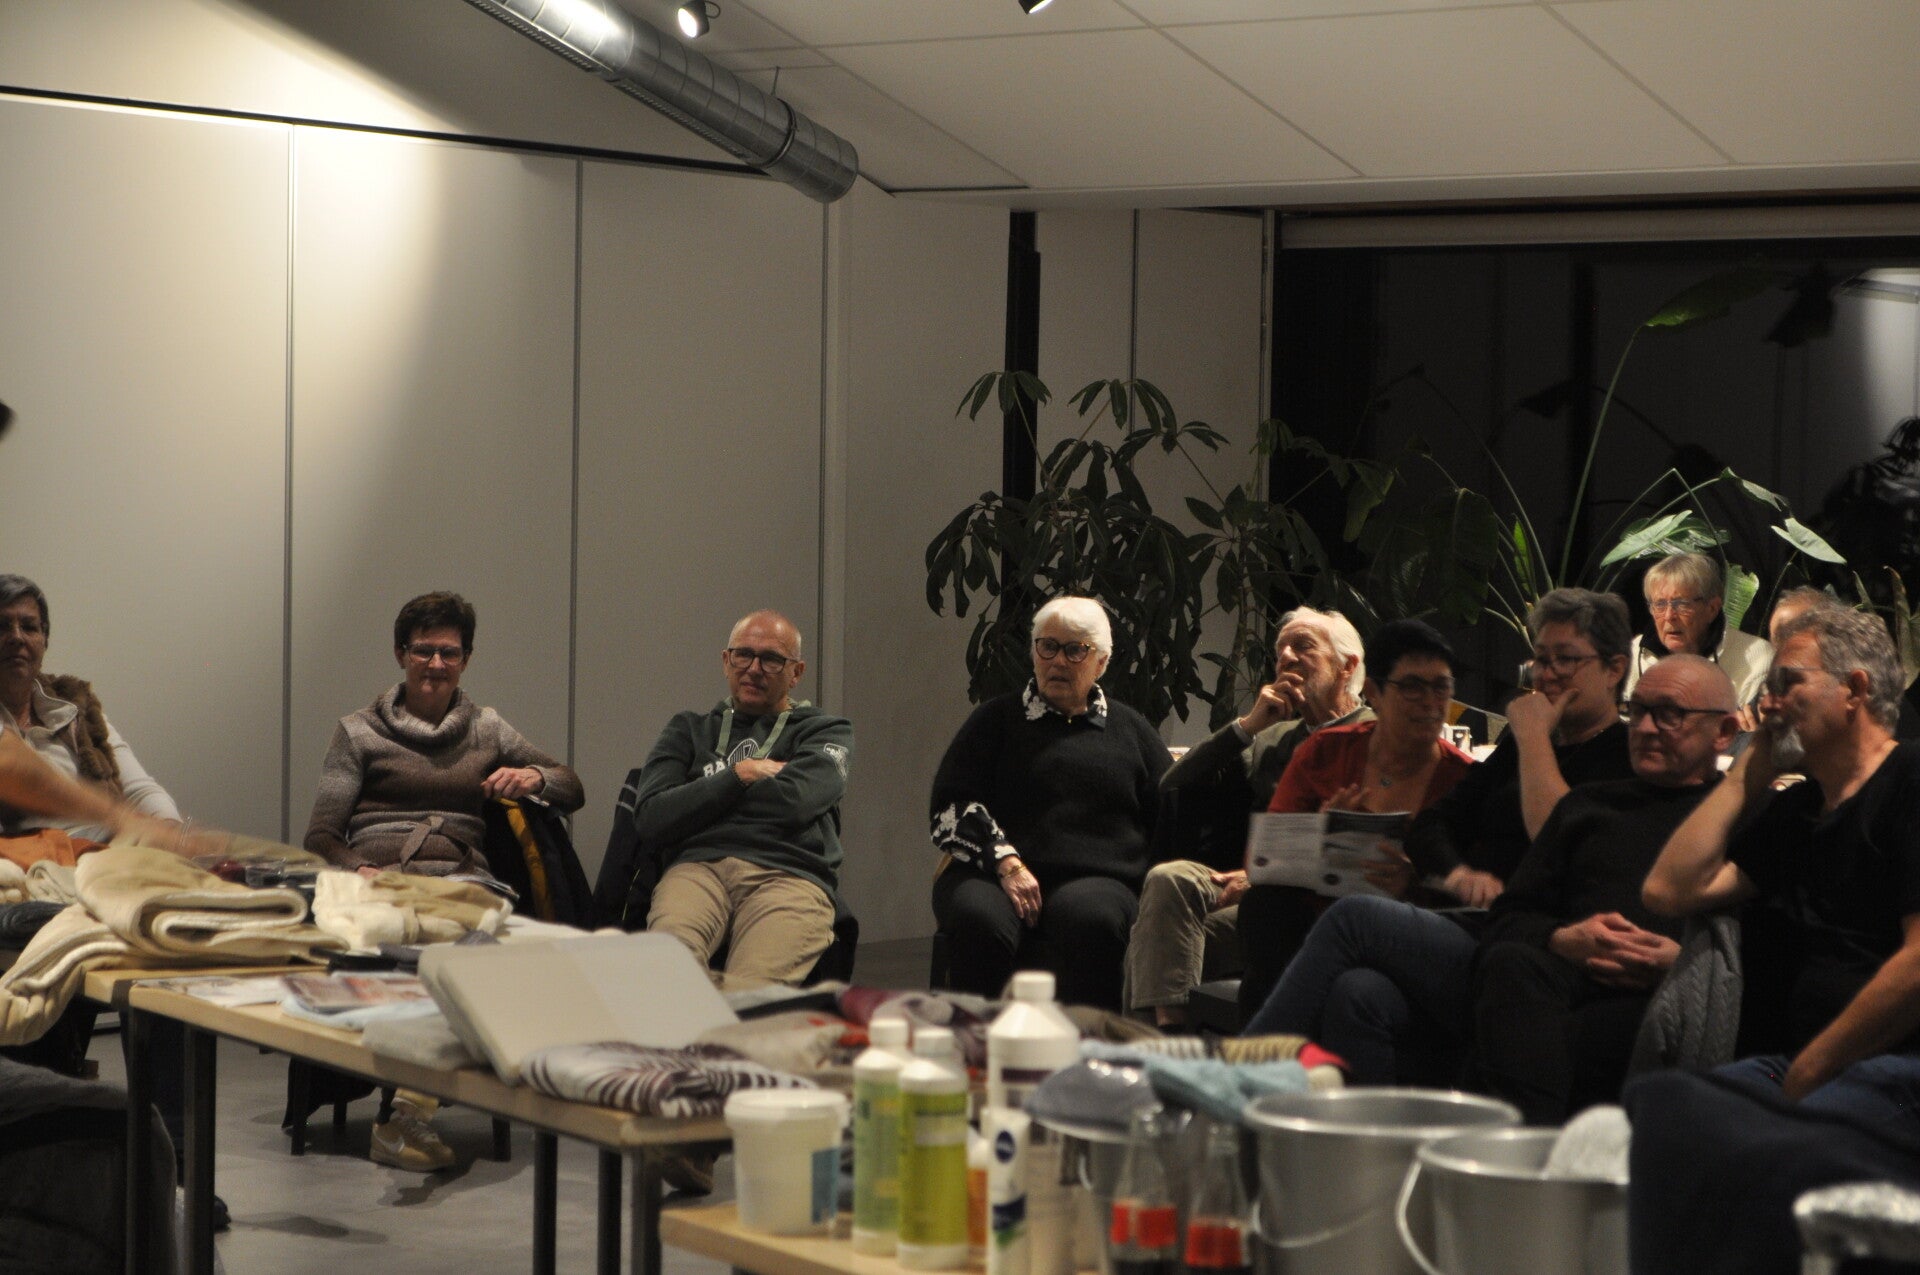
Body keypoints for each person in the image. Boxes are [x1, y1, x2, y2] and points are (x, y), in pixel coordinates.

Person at [1247, 656, 1736, 1118]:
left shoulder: (1743, 818)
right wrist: (1560, 938)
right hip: (1535, 969)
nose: (1645, 727)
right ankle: (1368, 1154)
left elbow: (1761, 942)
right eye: (1641, 711)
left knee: (1360, 931)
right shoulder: (1588, 805)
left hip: (1624, 990)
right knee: (1358, 990)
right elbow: (1511, 913)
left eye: (1669, 715)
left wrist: (1683, 962)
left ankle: (1245, 1080)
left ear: (1725, 731)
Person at [304, 590, 583, 1170]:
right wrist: (359, 869)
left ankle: (409, 1112)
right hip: (380, 881)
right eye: (424, 651)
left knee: (464, 956)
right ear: (400, 654)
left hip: (461, 883)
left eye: (449, 653)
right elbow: (323, 834)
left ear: (466, 659)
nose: (436, 664)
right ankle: (407, 1111)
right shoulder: (358, 732)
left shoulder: (487, 728)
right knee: (396, 944)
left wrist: (532, 777)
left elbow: (571, 784)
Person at [1645, 603, 1920, 1101]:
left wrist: (1812, 1069)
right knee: (1656, 1104)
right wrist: (1747, 774)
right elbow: (1669, 890)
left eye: (1788, 682)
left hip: (1884, 1071)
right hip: (1786, 1065)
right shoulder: (1799, 808)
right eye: (1767, 687)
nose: (1769, 704)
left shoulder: (1910, 779)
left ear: (1854, 690)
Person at [1124, 607, 1371, 1027]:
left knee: (1152, 938)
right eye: (1280, 651)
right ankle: (1172, 1036)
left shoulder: (1375, 736)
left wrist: (1264, 877)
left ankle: (1160, 1043)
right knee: (1169, 880)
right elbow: (1173, 784)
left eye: (1303, 646)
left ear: (1347, 666)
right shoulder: (1273, 738)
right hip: (1249, 886)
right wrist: (1248, 726)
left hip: (1309, 903)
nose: (1286, 657)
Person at [930, 596, 1170, 1010]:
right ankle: (977, 1041)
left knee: (1094, 921)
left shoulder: (1131, 730)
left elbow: (1170, 811)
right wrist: (1006, 862)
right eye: (1048, 646)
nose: (1058, 660)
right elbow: (950, 807)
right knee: (978, 919)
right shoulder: (994, 720)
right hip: (994, 873)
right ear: (1034, 652)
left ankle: (1088, 1043)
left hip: (1097, 878)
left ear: (1101, 662)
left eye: (1075, 650)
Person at [1234, 619, 1476, 1015]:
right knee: (1266, 905)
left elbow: (1476, 894)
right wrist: (1323, 834)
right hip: (1316, 918)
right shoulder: (1326, 751)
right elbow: (1265, 860)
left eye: (1441, 687)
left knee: (1357, 983)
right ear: (1374, 692)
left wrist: (1414, 880)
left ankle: (1269, 1043)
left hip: (1409, 930)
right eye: (1412, 687)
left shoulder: (1464, 779)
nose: (1430, 702)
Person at [635, 609, 853, 991]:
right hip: (699, 869)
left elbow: (796, 801)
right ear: (726, 660)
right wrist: (742, 774)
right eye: (743, 655)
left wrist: (698, 799)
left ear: (796, 672)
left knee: (749, 995)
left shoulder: (826, 731)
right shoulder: (688, 729)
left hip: (788, 874)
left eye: (771, 659)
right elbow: (652, 817)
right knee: (667, 975)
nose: (754, 668)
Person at [1404, 588, 1637, 907]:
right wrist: (1459, 876)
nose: (1547, 674)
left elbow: (1564, 845)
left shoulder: (1628, 753)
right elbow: (1432, 823)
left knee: (1354, 917)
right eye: (1541, 659)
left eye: (1565, 659)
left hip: (1536, 924)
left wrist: (1534, 737)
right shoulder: (1520, 742)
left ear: (1614, 670)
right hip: (1467, 912)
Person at [0, 574, 180, 855]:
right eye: (2, 626)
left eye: (29, 627)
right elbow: (10, 764)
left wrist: (172, 832)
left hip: (106, 855)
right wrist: (117, 818)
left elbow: (139, 791)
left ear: (44, 640)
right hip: (23, 867)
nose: (16, 637)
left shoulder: (75, 706)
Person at [1623, 552, 1772, 708]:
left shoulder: (1757, 659)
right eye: (1660, 604)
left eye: (1682, 604)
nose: (1669, 616)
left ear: (1712, 608)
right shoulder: (1634, 655)